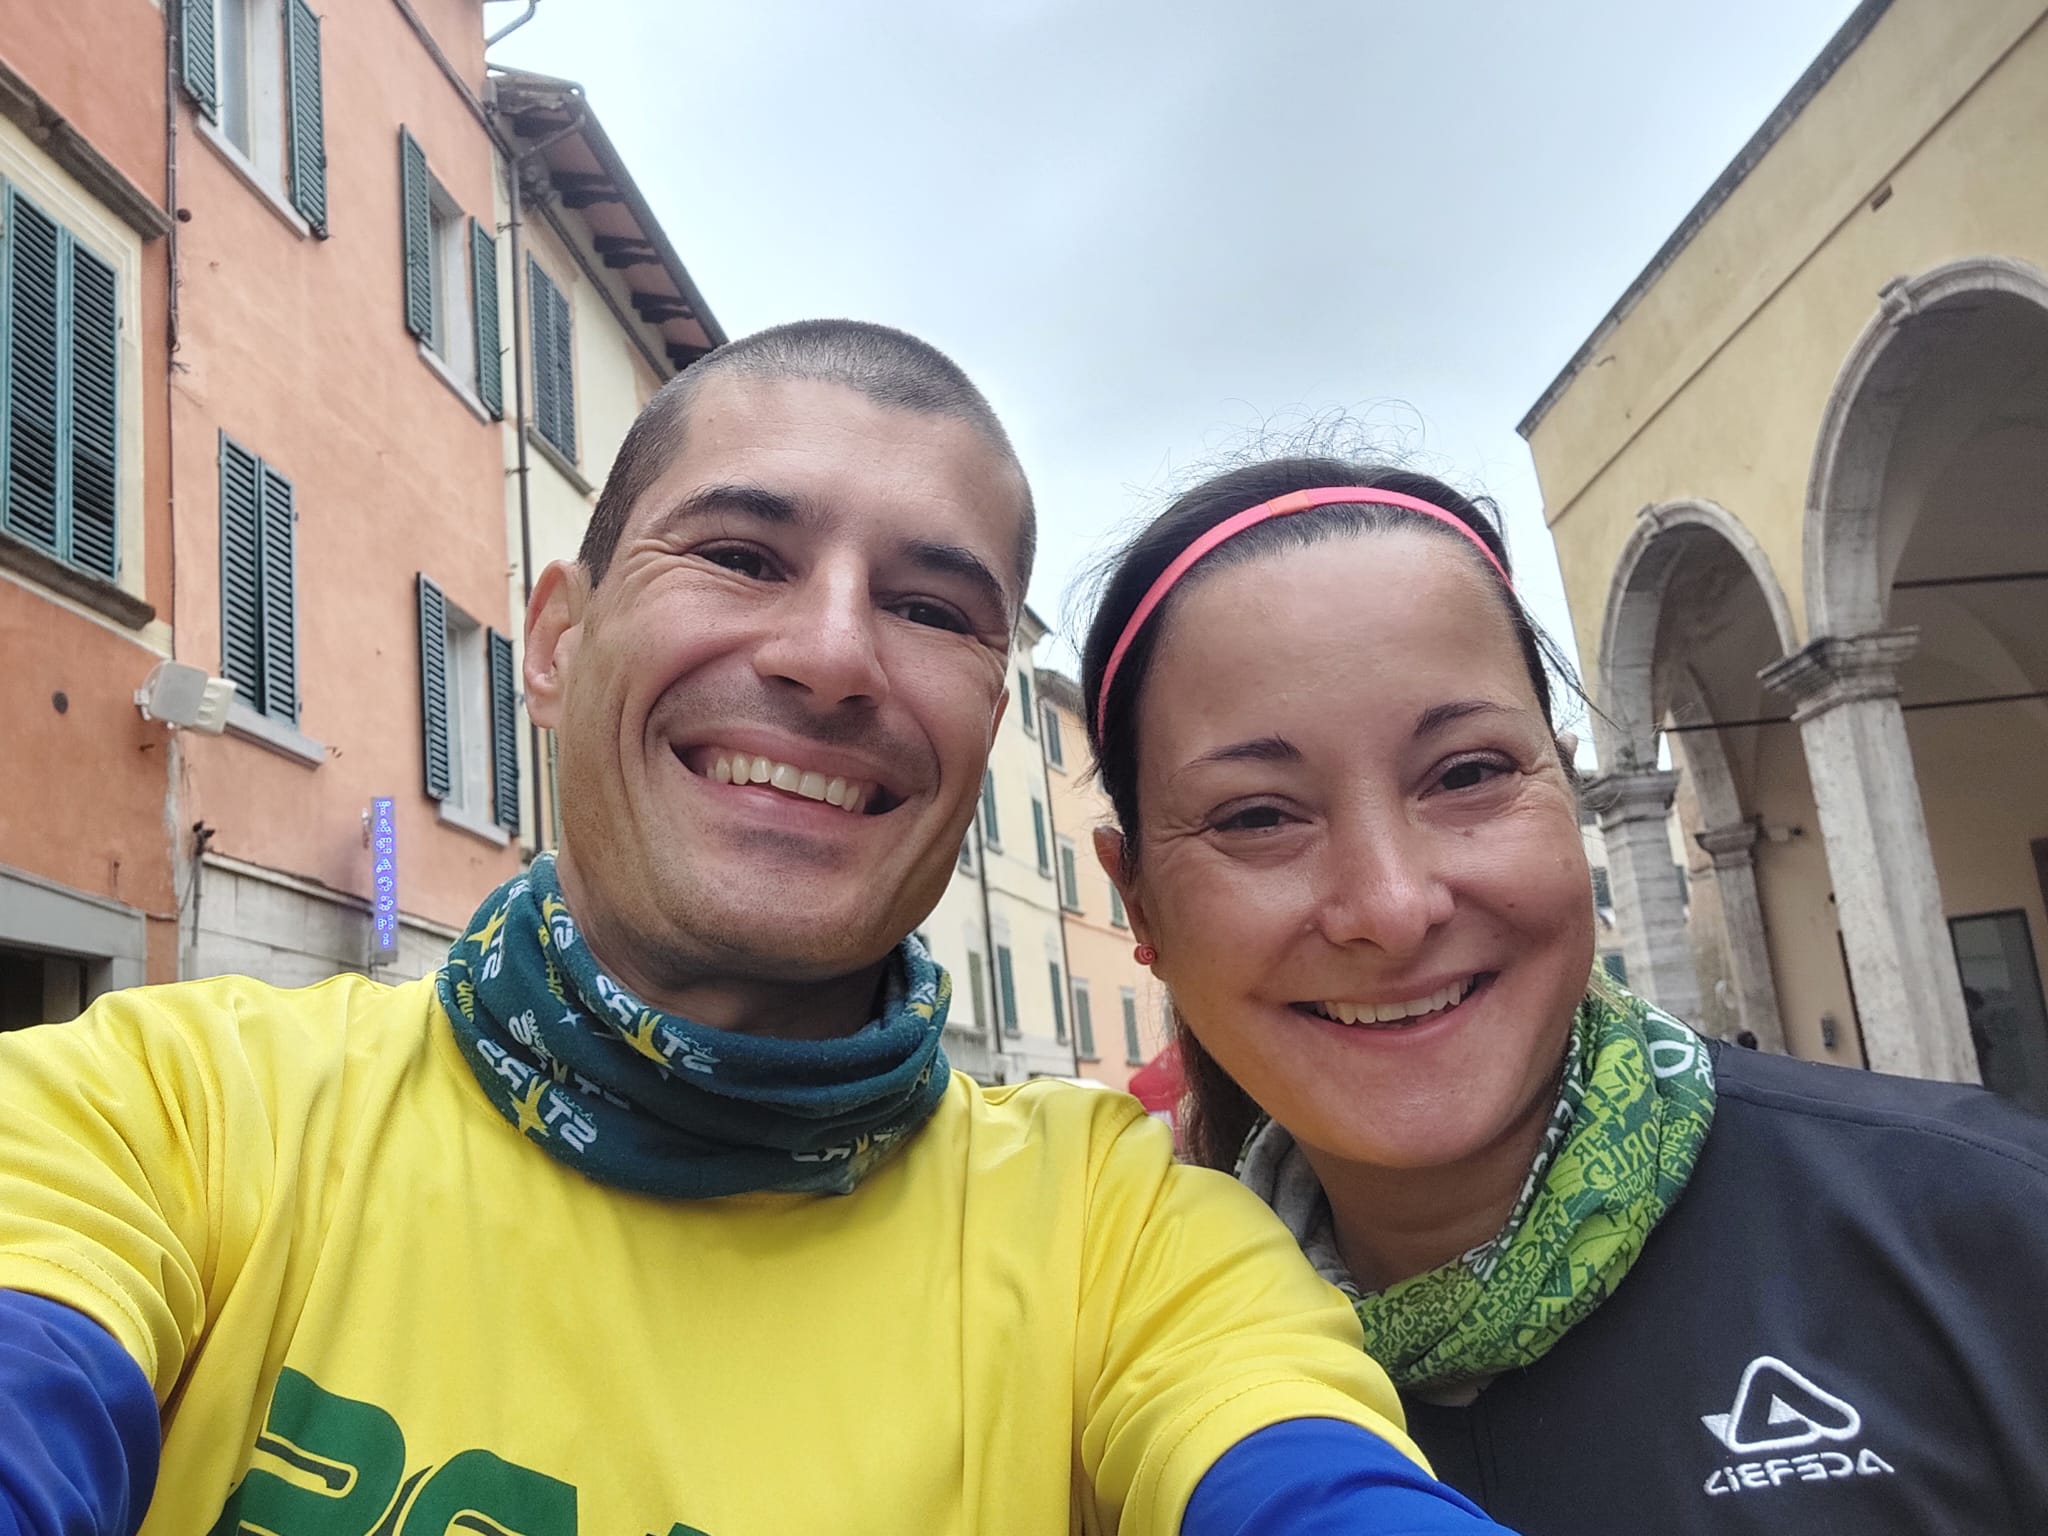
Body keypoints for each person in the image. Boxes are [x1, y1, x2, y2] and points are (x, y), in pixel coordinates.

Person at [0, 328, 1510, 1536]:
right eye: (739, 555)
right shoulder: (165, 1109)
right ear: (556, 642)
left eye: (932, 609)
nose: (833, 655)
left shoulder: (1119, 1236)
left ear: (987, 724)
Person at [1078, 455, 2048, 1535]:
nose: (1392, 907)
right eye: (1257, 816)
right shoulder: (1102, 1386)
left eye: (1466, 774)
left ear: (1568, 790)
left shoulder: (1991, 1231)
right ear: (1137, 900)